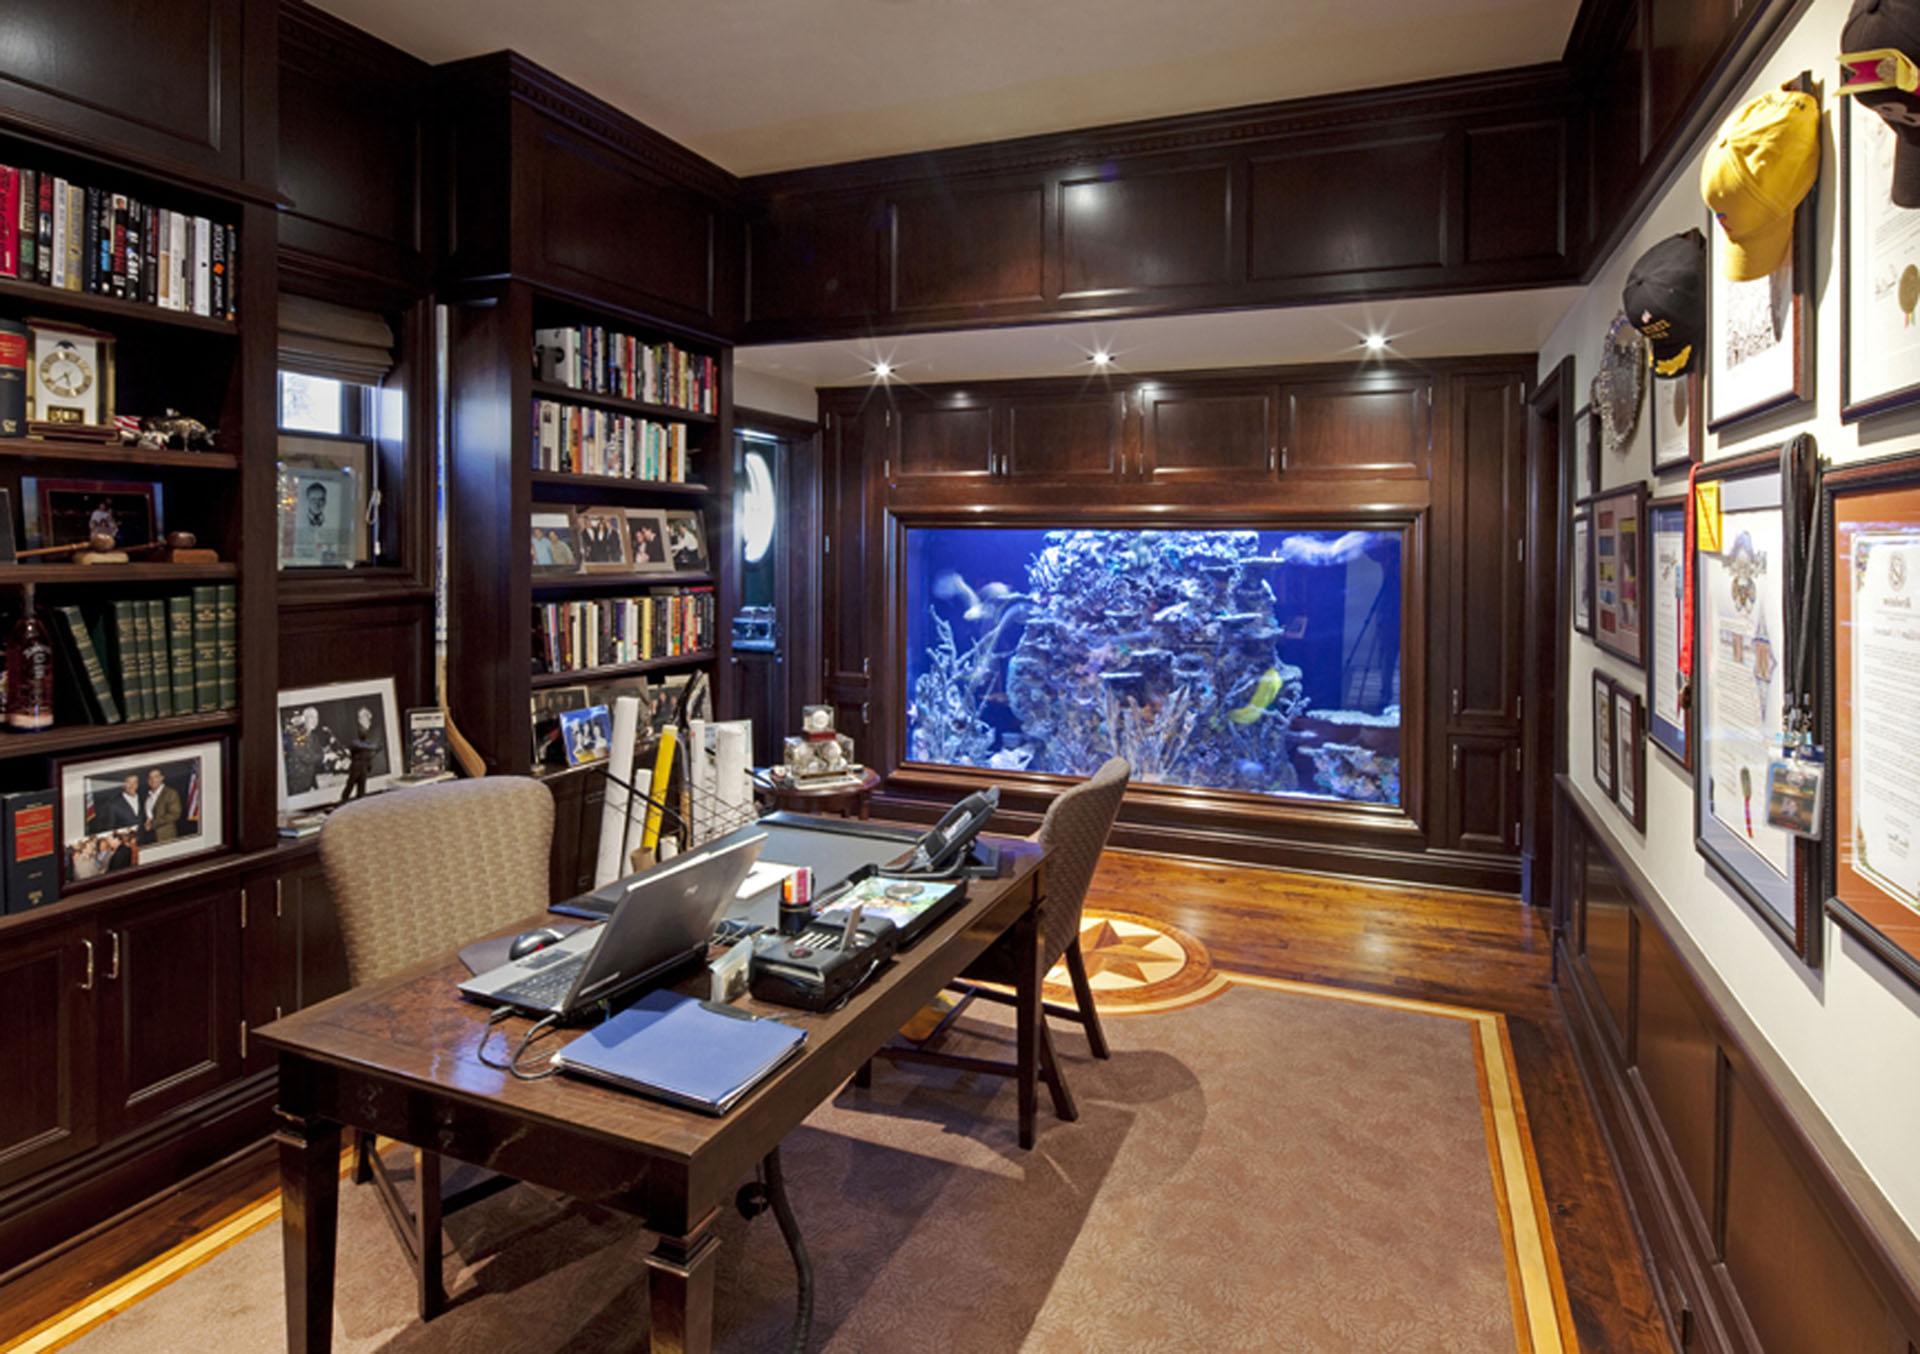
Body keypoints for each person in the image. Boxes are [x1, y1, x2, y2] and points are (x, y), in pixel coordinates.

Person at [143, 768, 183, 843]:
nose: (153, 780)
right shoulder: (147, 796)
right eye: (150, 778)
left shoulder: (171, 793)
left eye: (156, 777)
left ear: (162, 778)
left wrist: (153, 823)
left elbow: (175, 814)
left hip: (166, 837)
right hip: (149, 837)